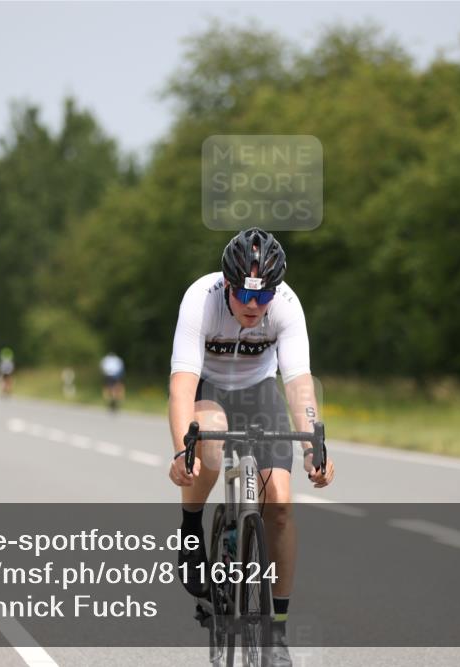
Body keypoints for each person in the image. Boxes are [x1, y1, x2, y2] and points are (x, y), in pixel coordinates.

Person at [168, 227, 335, 666]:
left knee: (279, 502)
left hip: (259, 392)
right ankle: (191, 527)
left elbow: (298, 383)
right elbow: (182, 386)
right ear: (227, 284)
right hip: (210, 389)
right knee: (207, 443)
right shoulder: (199, 299)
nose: (253, 305)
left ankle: (276, 632)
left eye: (262, 298)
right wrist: (179, 450)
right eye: (243, 294)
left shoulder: (287, 307)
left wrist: (314, 448)